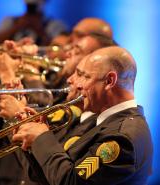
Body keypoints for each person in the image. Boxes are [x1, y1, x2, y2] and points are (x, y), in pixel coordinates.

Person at [11, 46, 153, 185]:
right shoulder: (104, 123)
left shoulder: (121, 139)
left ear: (109, 81)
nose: (77, 85)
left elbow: (72, 181)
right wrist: (33, 138)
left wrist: (42, 138)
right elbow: (49, 178)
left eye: (85, 76)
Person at [0, 0, 67, 46]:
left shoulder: (55, 25)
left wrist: (39, 30)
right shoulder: (10, 20)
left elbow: (57, 49)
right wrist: (17, 27)